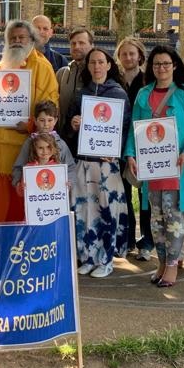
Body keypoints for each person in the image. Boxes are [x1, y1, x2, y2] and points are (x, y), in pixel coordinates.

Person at [124, 47, 184, 288]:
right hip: (152, 170)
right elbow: (135, 127)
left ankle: (172, 265)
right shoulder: (143, 94)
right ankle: (161, 261)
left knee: (175, 220)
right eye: (157, 64)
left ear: (175, 66)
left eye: (166, 64)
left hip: (177, 170)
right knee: (155, 220)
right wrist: (130, 153)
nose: (161, 68)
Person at [64, 48, 131, 278]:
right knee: (83, 210)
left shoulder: (118, 94)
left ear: (109, 65)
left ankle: (106, 259)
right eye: (93, 62)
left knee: (106, 211)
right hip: (83, 162)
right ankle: (88, 256)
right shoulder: (80, 95)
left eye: (101, 62)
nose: (97, 67)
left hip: (106, 166)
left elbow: (125, 129)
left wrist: (117, 151)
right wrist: (73, 124)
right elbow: (67, 130)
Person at [0, 20, 59, 222]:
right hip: (0, 151)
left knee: (23, 211)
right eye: (12, 38)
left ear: (31, 40)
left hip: (28, 150)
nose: (17, 42)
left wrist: (31, 125)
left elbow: (51, 105)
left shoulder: (43, 67)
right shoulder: (0, 67)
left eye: (21, 37)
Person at [116, 36, 153, 260]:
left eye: (132, 53)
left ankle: (147, 241)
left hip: (144, 146)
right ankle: (128, 239)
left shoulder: (148, 81)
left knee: (145, 195)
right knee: (123, 195)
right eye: (124, 54)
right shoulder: (115, 80)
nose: (128, 58)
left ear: (140, 55)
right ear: (118, 58)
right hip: (118, 145)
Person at [11, 100, 76, 191]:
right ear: (35, 121)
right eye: (42, 120)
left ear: (55, 121)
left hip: (56, 195)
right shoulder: (29, 143)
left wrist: (69, 182)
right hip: (34, 195)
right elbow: (18, 167)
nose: (46, 124)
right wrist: (18, 183)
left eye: (50, 120)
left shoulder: (61, 144)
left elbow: (71, 167)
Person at [56, 27, 94, 136]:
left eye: (81, 43)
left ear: (92, 46)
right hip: (62, 137)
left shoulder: (97, 74)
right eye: (73, 43)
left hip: (87, 139)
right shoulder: (61, 74)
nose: (76, 47)